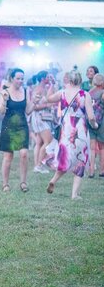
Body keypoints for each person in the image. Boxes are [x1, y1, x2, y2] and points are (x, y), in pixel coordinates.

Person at [44, 70, 99, 199]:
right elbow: (91, 117)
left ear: (69, 80)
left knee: (65, 158)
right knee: (81, 160)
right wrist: (95, 125)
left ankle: (53, 180)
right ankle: (74, 194)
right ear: (80, 81)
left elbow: (48, 98)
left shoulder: (61, 93)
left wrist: (51, 85)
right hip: (79, 130)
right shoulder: (85, 95)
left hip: (65, 130)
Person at [0, 68, 34, 192]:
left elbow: (28, 111)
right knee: (8, 156)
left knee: (24, 154)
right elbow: (0, 112)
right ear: (12, 78)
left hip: (22, 126)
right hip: (9, 126)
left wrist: (35, 101)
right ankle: (5, 184)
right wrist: (5, 100)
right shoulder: (5, 92)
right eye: (18, 78)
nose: (20, 81)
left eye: (22, 78)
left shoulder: (26, 91)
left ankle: (23, 182)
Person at [30, 71, 55, 174]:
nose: (49, 78)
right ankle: (39, 165)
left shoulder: (44, 88)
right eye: (47, 77)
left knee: (39, 142)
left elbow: (50, 98)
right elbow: (34, 107)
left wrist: (52, 84)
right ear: (42, 79)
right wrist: (46, 106)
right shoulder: (38, 89)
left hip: (43, 117)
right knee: (48, 141)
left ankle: (37, 166)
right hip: (39, 118)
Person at [88, 74, 104, 178]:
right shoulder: (102, 93)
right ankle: (102, 170)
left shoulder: (89, 93)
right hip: (101, 122)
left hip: (91, 121)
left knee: (92, 148)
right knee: (102, 148)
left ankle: (91, 171)